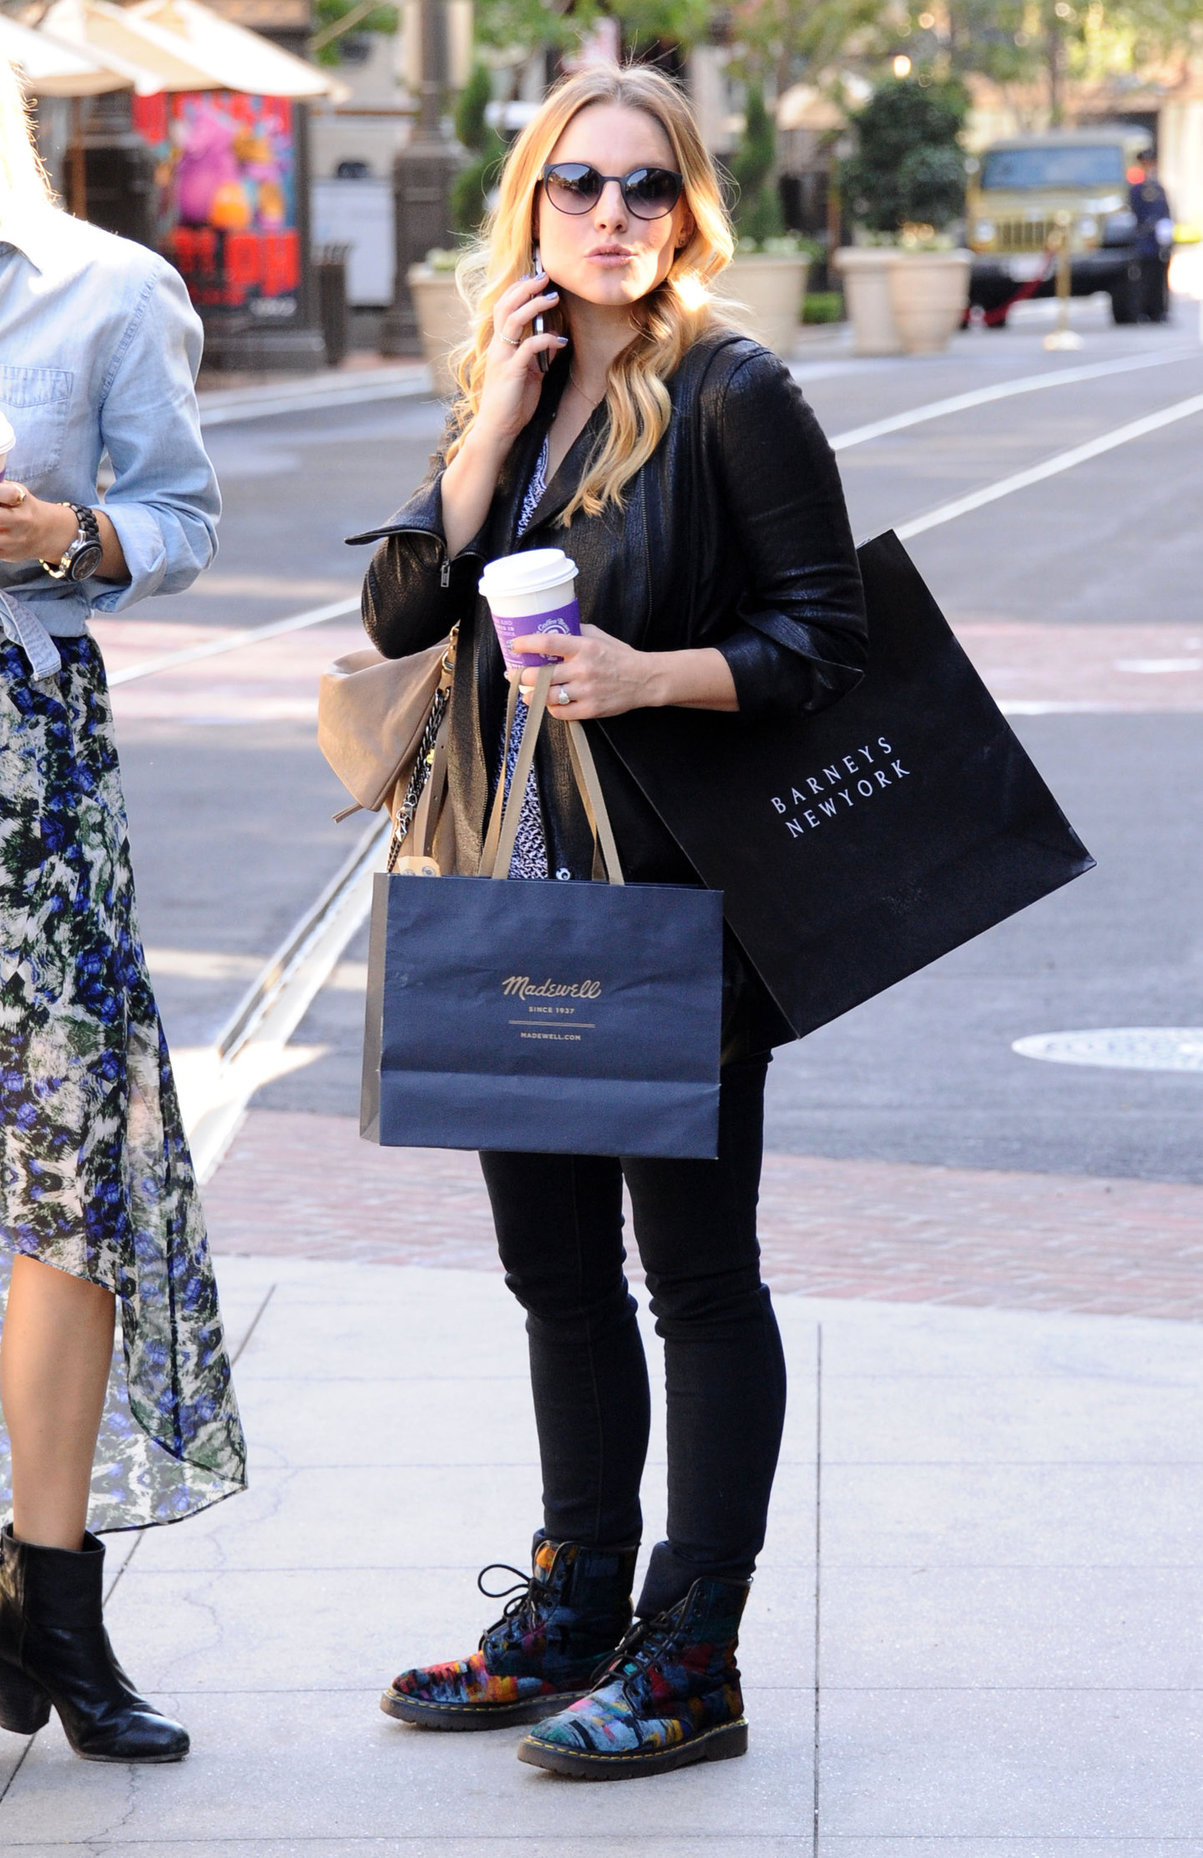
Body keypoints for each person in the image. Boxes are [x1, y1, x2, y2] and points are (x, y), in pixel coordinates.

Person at [352, 63, 866, 1780]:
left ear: (690, 205)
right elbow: (403, 607)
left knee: (693, 1280)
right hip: (509, 892)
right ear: (532, 202)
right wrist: (485, 428)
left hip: (670, 904)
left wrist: (651, 674)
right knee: (553, 1278)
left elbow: (825, 643)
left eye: (645, 188)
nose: (610, 216)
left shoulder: (730, 391)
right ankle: (574, 1607)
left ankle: (690, 1647)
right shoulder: (513, 378)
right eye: (577, 184)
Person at [0, 59, 245, 1763]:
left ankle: (54, 1600)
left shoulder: (108, 289)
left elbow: (182, 518)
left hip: (27, 771)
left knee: (63, 1181)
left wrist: (66, 527)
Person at [1128, 153, 1173, 323]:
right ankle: (1143, 310)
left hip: (1158, 239)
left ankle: (1159, 310)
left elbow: (1165, 210)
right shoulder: (1137, 188)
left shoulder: (1158, 187)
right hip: (1145, 239)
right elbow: (1136, 213)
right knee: (1144, 276)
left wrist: (1166, 226)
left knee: (1159, 276)